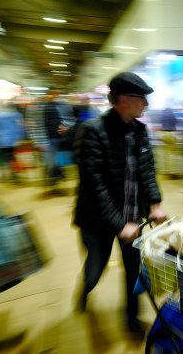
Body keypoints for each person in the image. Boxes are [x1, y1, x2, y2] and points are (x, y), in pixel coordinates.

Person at [72, 72, 167, 332]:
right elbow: (94, 186)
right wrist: (118, 224)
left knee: (135, 270)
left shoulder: (140, 130)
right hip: (98, 220)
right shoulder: (92, 131)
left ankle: (131, 319)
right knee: (96, 268)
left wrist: (155, 203)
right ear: (124, 100)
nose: (146, 104)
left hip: (132, 216)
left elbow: (147, 171)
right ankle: (85, 289)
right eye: (142, 99)